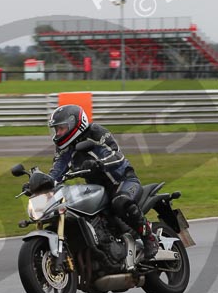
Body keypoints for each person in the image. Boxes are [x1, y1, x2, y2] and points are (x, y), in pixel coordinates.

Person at [45, 104, 158, 259]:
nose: (58, 133)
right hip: (97, 189)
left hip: (123, 181)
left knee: (120, 201)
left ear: (74, 124)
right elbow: (57, 170)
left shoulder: (96, 132)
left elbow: (117, 155)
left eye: (61, 128)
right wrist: (43, 183)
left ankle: (149, 238)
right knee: (80, 213)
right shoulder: (64, 148)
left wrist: (100, 163)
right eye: (56, 129)